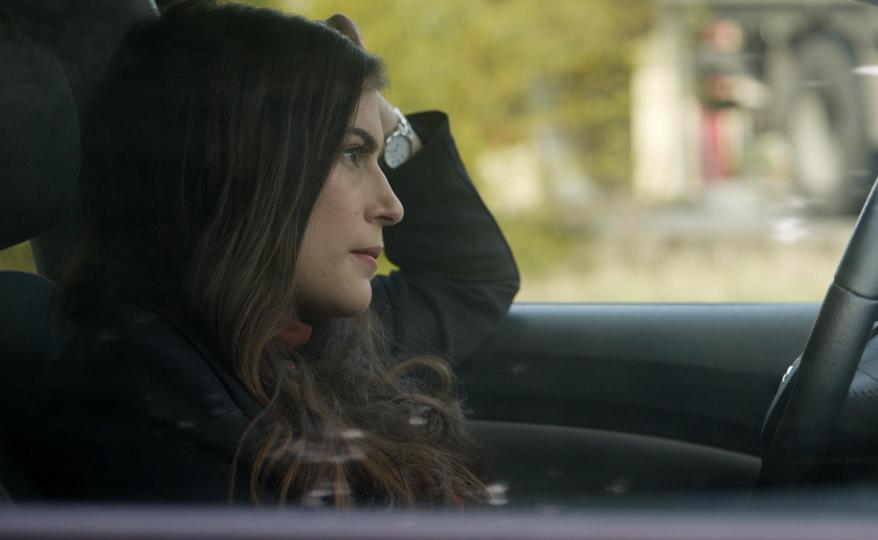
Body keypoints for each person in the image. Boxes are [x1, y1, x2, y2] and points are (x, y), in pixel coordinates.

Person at [12, 0, 518, 508]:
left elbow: (468, 279)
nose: (392, 206)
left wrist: (371, 106)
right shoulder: (147, 403)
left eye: (378, 154)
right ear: (238, 165)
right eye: (351, 152)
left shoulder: (295, 331)